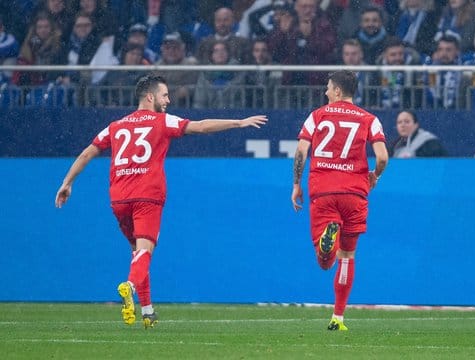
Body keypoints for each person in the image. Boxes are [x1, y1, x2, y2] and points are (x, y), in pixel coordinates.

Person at [55, 75, 267, 329]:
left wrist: (67, 182)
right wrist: (238, 122)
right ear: (150, 97)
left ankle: (147, 311)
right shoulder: (162, 121)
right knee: (145, 252)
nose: (169, 100)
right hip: (147, 196)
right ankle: (129, 286)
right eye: (165, 95)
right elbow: (200, 126)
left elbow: (89, 151)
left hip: (119, 198)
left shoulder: (115, 126)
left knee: (137, 254)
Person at [291, 70, 388, 331]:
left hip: (323, 190)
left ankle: (326, 245)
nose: (325, 92)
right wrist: (374, 176)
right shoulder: (370, 119)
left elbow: (301, 151)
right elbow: (382, 157)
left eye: (327, 87)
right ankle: (338, 317)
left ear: (336, 91)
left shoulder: (317, 115)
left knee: (325, 262)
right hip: (355, 192)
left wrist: (296, 184)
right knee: (348, 255)